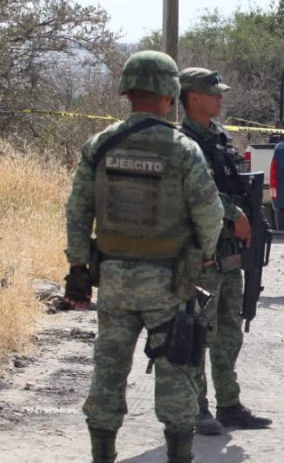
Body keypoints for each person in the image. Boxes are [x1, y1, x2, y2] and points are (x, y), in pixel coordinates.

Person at [64, 51, 224, 463]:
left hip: (114, 280)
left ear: (127, 90)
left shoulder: (100, 144)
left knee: (108, 370)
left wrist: (78, 267)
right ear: (170, 93)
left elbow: (78, 210)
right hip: (170, 283)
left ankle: (102, 454)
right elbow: (210, 214)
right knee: (177, 372)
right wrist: (204, 256)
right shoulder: (182, 149)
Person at [178, 67, 272, 434]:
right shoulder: (183, 141)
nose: (220, 97)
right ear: (192, 97)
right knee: (199, 329)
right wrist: (234, 215)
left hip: (230, 248)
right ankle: (196, 407)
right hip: (203, 250)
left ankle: (229, 404)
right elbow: (195, 190)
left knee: (230, 328)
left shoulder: (219, 137)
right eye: (212, 92)